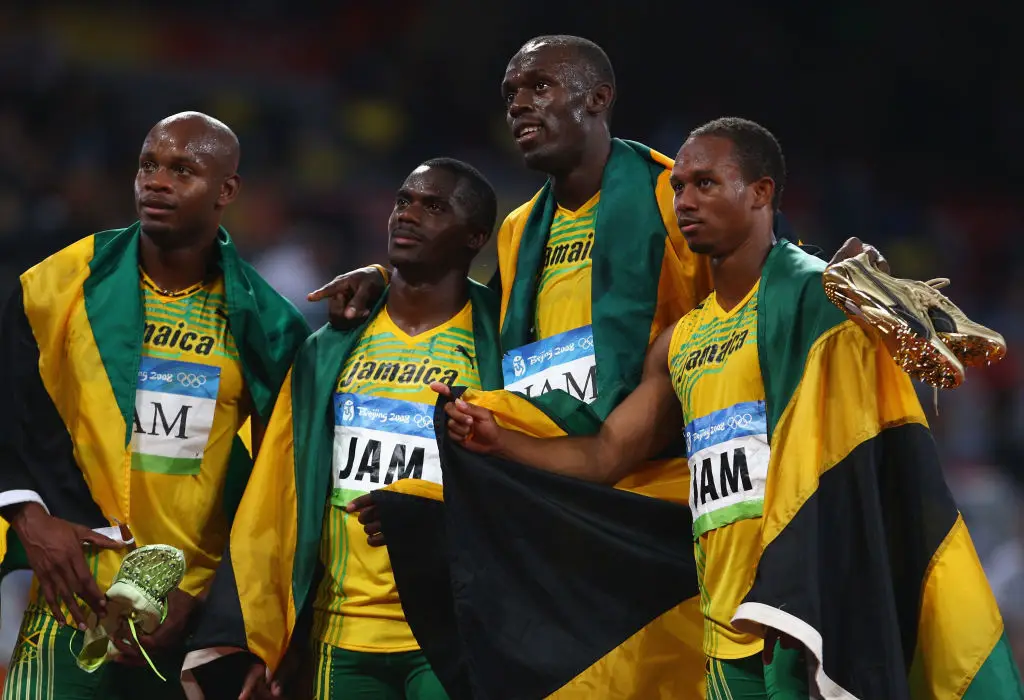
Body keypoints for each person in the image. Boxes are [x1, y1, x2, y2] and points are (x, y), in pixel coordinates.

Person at [437, 117, 1022, 698]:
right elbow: (606, 455)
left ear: (761, 192)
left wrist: (851, 287)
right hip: (721, 623)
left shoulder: (812, 298)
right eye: (680, 187)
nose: (685, 200)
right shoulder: (678, 343)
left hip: (801, 620)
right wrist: (500, 440)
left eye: (707, 184)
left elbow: (865, 428)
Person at [0, 112, 310, 700]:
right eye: (149, 165)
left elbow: (282, 485)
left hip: (185, 616)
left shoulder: (271, 326)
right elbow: (7, 405)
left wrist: (211, 597)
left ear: (226, 191)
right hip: (71, 593)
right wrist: (29, 517)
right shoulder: (60, 284)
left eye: (183, 170)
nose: (157, 182)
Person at [182, 158, 504, 700]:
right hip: (342, 631)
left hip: (453, 629)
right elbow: (279, 495)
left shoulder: (502, 338)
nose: (409, 214)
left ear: (475, 236)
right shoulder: (329, 347)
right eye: (404, 201)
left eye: (434, 206)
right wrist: (275, 633)